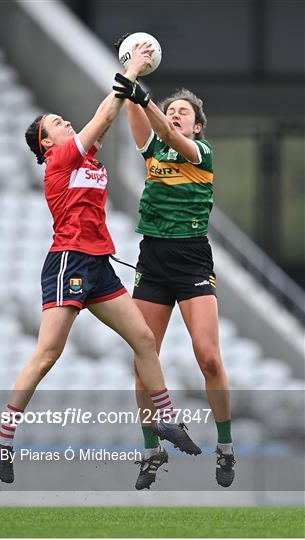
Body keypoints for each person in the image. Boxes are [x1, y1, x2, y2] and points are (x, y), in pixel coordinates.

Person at [0, 44, 202, 485]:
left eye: (64, 120)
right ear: (46, 143)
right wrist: (132, 68)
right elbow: (105, 116)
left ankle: (165, 419)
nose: (65, 123)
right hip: (69, 261)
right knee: (48, 355)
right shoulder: (59, 159)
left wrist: (131, 85)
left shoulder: (85, 156)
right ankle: (4, 437)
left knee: (143, 339)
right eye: (56, 124)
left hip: (98, 264)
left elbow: (109, 119)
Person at [112, 55, 236, 490]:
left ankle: (225, 445)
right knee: (142, 361)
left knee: (210, 358)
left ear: (197, 127)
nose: (175, 115)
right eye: (172, 109)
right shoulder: (155, 150)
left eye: (184, 112)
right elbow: (134, 111)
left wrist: (146, 99)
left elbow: (159, 126)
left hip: (192, 260)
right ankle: (151, 451)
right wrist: (131, 69)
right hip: (154, 261)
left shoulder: (200, 152)